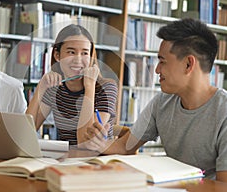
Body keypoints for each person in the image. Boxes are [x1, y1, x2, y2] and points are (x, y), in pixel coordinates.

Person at [84, 18, 227, 182]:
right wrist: (100, 143)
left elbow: (223, 186)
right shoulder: (162, 102)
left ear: (188, 64)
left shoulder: (223, 113)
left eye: (162, 61)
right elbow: (126, 146)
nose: (157, 70)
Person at [26, 24, 118, 145]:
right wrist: (41, 87)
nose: (78, 59)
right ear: (57, 55)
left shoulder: (106, 88)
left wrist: (89, 87)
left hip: (98, 159)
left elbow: (85, 142)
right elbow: (26, 134)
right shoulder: (54, 89)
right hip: (66, 159)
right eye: (71, 52)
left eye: (85, 53)